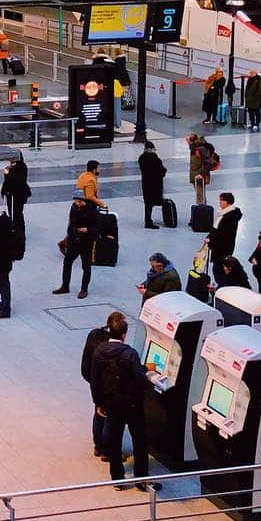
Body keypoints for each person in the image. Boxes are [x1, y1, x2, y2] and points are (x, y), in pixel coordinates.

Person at [90, 311, 159, 490]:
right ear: (123, 334)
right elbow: (139, 378)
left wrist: (99, 403)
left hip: (112, 404)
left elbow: (95, 380)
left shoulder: (99, 351)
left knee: (114, 439)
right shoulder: (129, 353)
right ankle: (141, 478)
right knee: (139, 440)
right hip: (132, 404)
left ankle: (118, 479)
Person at [81, 314, 118, 460]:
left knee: (99, 411)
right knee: (107, 415)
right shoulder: (110, 349)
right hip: (104, 383)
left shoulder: (95, 335)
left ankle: (99, 445)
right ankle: (106, 449)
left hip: (92, 377)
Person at [54, 197, 99, 299]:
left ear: (83, 201)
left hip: (87, 242)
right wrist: (71, 233)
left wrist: (87, 230)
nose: (77, 203)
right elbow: (71, 223)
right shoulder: (74, 208)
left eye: (79, 201)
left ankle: (84, 289)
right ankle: (65, 286)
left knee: (86, 265)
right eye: (76, 201)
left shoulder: (92, 210)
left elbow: (97, 228)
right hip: (74, 240)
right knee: (67, 262)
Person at [209, 192, 242, 276]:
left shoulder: (229, 217)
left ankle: (222, 286)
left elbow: (222, 234)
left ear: (228, 202)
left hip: (223, 248)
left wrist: (211, 241)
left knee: (218, 269)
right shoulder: (224, 213)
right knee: (218, 268)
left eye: (222, 200)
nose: (220, 202)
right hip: (222, 247)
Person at [137, 141, 166, 230]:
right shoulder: (155, 158)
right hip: (156, 184)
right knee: (160, 201)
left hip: (146, 183)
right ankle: (167, 218)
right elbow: (162, 170)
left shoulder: (141, 158)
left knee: (148, 204)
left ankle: (148, 220)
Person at [1, 153, 31, 229]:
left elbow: (19, 180)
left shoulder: (22, 167)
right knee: (12, 213)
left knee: (17, 214)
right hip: (11, 194)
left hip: (18, 195)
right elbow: (6, 181)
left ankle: (18, 230)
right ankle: (14, 228)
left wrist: (8, 174)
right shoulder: (11, 167)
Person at [249, 229, 261, 295]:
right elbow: (250, 258)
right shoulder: (259, 247)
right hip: (260, 277)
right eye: (259, 238)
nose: (260, 240)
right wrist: (255, 263)